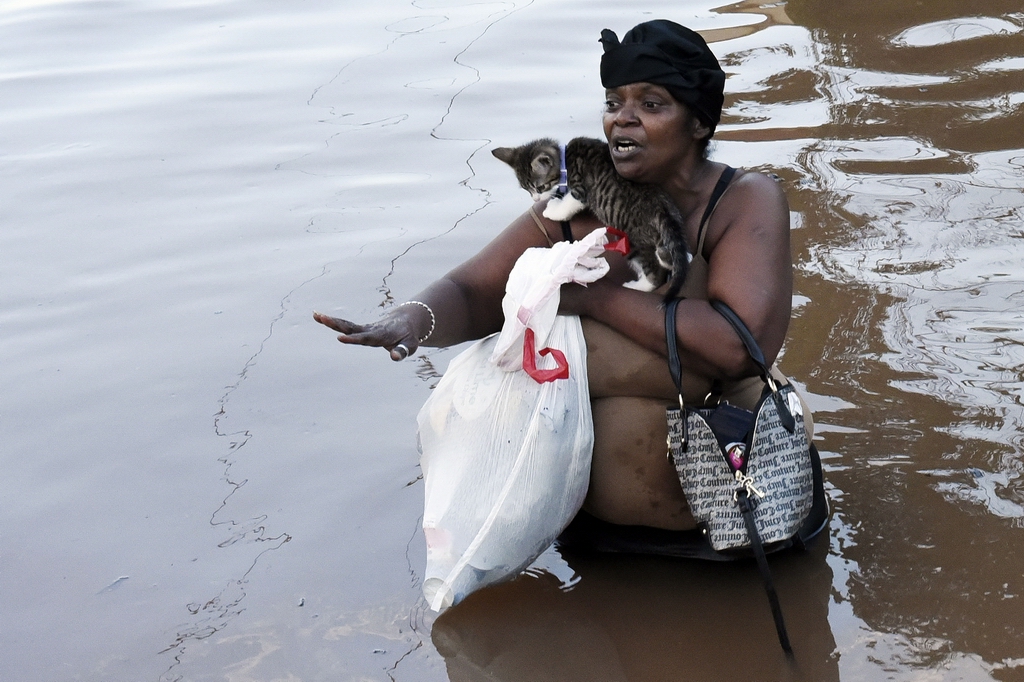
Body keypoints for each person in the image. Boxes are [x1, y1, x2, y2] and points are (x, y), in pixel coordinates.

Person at [315, 20, 825, 550]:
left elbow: (738, 346)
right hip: (601, 533)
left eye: (651, 104)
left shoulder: (742, 201)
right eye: (614, 101)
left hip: (737, 486)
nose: (622, 118)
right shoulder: (572, 211)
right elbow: (475, 292)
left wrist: (594, 297)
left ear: (697, 123)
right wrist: (411, 320)